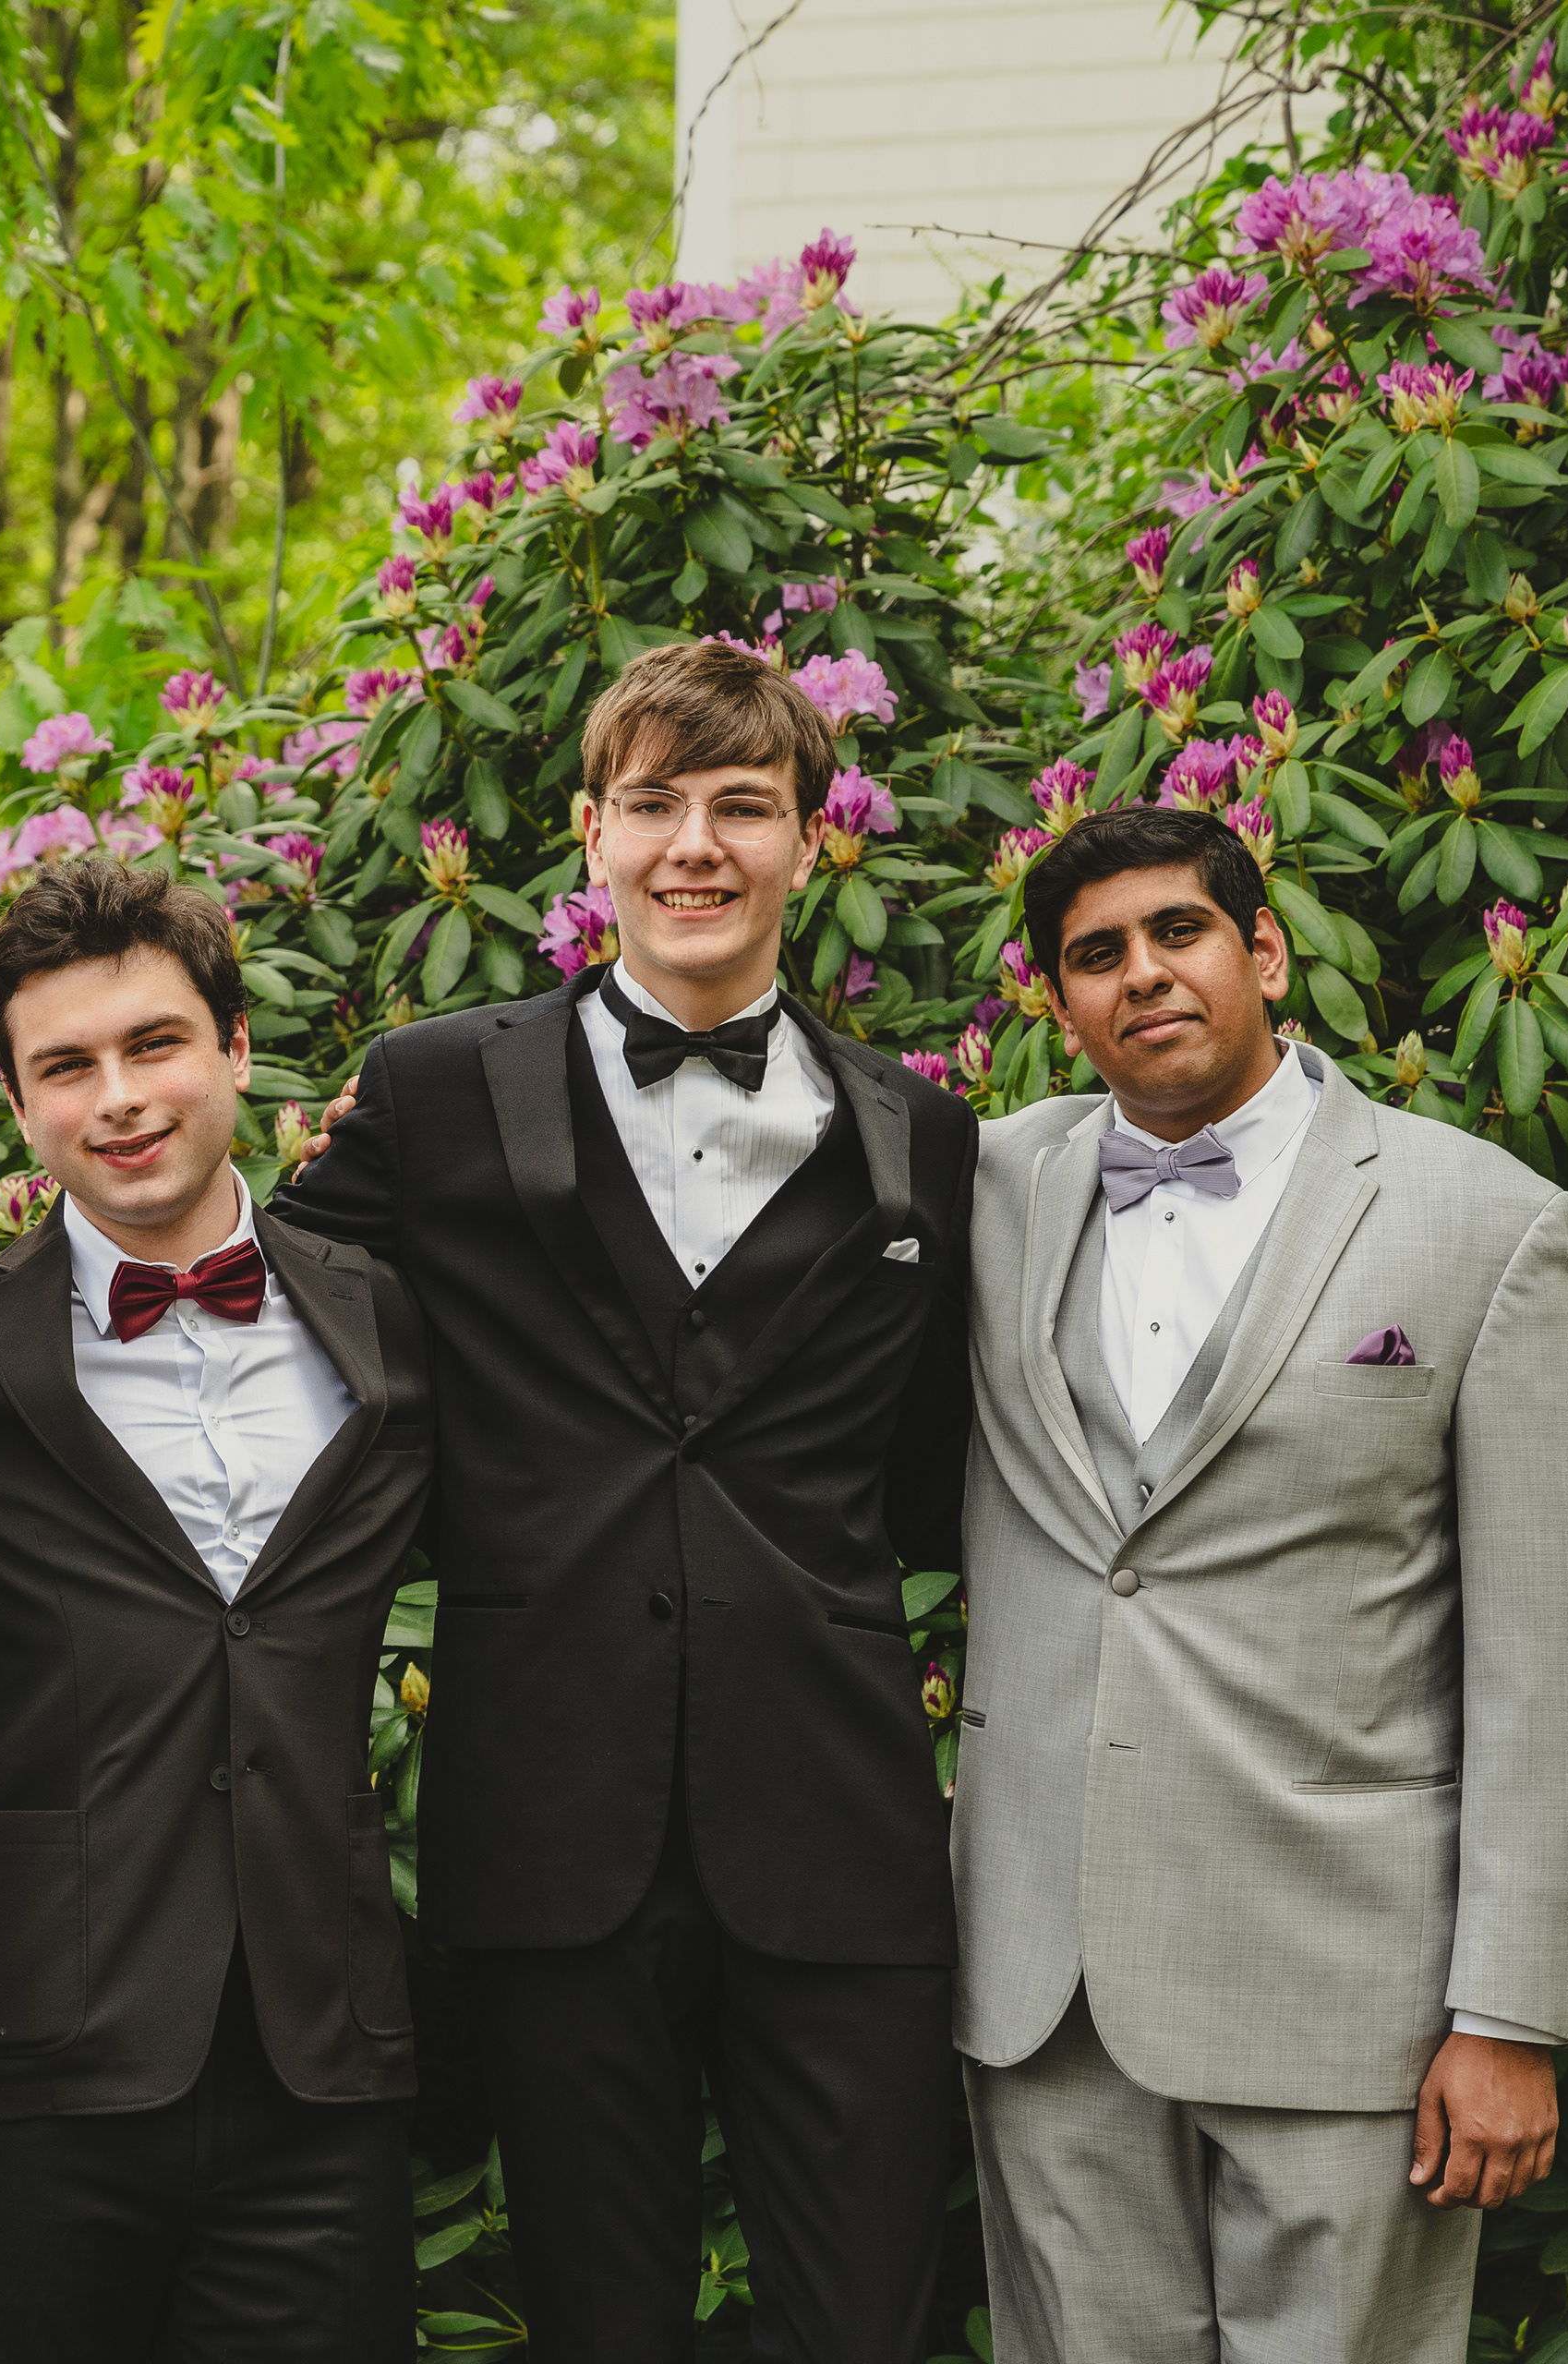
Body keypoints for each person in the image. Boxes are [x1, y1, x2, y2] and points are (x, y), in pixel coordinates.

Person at [274, 638, 977, 2362]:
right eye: (655, 804)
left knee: (867, 2323)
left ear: (813, 838)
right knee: (600, 2325)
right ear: (592, 835)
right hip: (549, 1820)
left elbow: (928, 1475)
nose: (697, 846)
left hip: (840, 1830)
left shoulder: (922, 1136)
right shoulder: (436, 1088)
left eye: (744, 805)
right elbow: (249, 1309)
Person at [950, 804, 1568, 2363]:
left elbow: (1558, 1661)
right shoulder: (988, 1188)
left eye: (1179, 932)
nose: (1143, 974)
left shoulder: (1487, 1225)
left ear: (1263, 951)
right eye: (1096, 954)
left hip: (1351, 1998)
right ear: (1058, 1004)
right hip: (1048, 1988)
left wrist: (1511, 2016)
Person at [0, 861, 438, 2364]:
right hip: (37, 2063)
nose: (118, 1098)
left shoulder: (398, 1321)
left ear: (237, 1050)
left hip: (323, 2059)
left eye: (155, 1044)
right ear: (14, 1102)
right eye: (66, 1066)